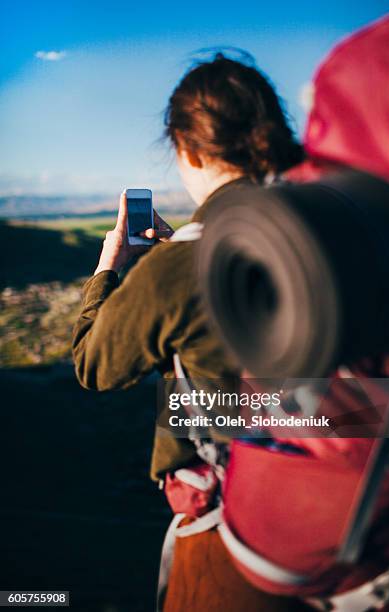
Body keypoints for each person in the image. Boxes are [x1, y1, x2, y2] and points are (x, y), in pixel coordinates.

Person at [72, 53, 306, 611]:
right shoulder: (322, 231)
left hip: (234, 531)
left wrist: (111, 268)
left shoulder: (179, 268)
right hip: (353, 506)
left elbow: (91, 364)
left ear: (189, 150)